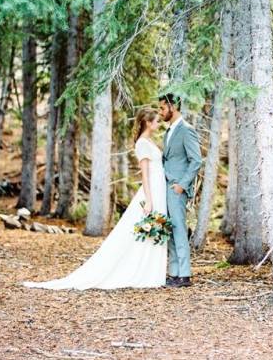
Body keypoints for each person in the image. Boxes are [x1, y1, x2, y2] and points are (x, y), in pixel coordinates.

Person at [24, 107, 167, 290]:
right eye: (156, 120)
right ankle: (141, 270)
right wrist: (148, 199)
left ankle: (151, 269)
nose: (159, 123)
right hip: (152, 189)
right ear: (148, 122)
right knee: (143, 228)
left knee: (155, 227)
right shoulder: (142, 143)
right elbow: (145, 175)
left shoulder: (149, 141)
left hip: (159, 187)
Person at [158, 93, 202, 288]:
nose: (160, 113)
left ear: (172, 107)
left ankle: (184, 274)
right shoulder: (168, 132)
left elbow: (196, 161)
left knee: (179, 229)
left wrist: (182, 185)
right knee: (170, 230)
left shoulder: (186, 130)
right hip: (164, 187)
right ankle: (174, 273)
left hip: (176, 189)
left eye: (162, 108)